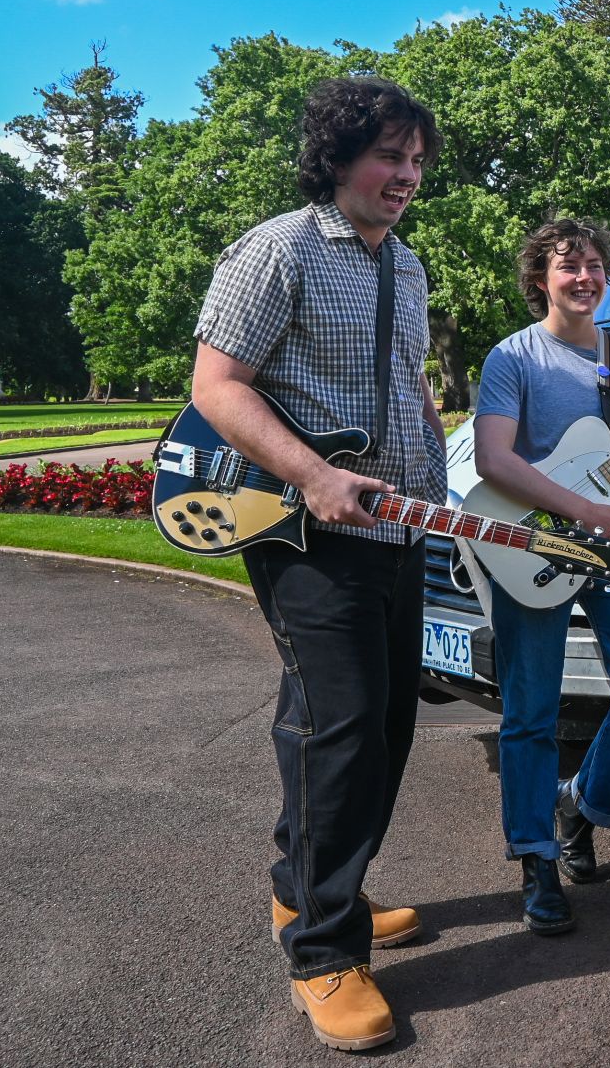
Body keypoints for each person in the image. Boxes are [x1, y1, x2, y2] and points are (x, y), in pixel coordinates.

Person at [190, 76, 448, 1052]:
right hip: (304, 533)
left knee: (381, 724)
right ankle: (322, 954)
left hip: (397, 529)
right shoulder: (278, 250)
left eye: (416, 160)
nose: (406, 175)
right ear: (337, 156)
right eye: (390, 155)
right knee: (337, 729)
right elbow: (216, 386)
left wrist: (434, 464)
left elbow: (406, 382)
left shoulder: (408, 265)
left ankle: (309, 893)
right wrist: (307, 474)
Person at [471, 218, 610, 937]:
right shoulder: (513, 357)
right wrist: (581, 508)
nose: (586, 275)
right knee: (531, 712)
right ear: (541, 280)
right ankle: (535, 861)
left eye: (596, 264)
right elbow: (494, 461)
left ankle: (583, 806)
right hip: (532, 545)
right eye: (570, 265)